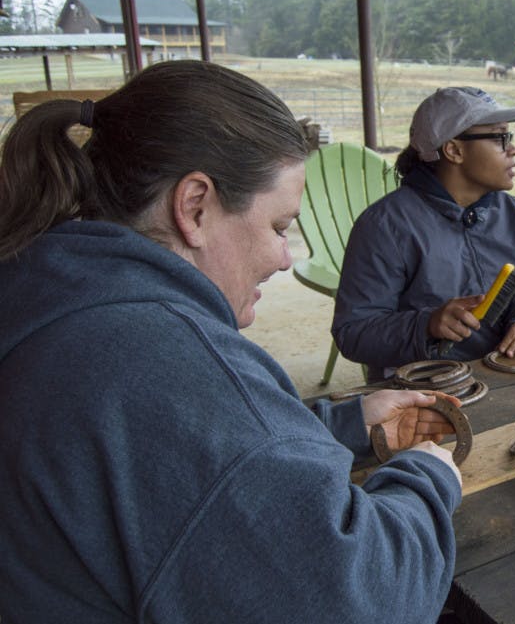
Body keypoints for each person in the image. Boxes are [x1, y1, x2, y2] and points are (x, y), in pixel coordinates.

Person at [0, 60, 462, 623]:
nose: (284, 257)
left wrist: (342, 424)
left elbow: (175, 461)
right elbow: (369, 601)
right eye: (278, 227)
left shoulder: (48, 283)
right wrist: (428, 476)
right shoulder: (165, 361)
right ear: (194, 206)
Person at [333, 87, 515, 381]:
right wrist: (427, 325)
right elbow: (353, 333)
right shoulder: (385, 226)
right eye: (500, 137)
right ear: (454, 150)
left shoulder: (512, 214)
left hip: (503, 373)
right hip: (420, 389)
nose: (512, 149)